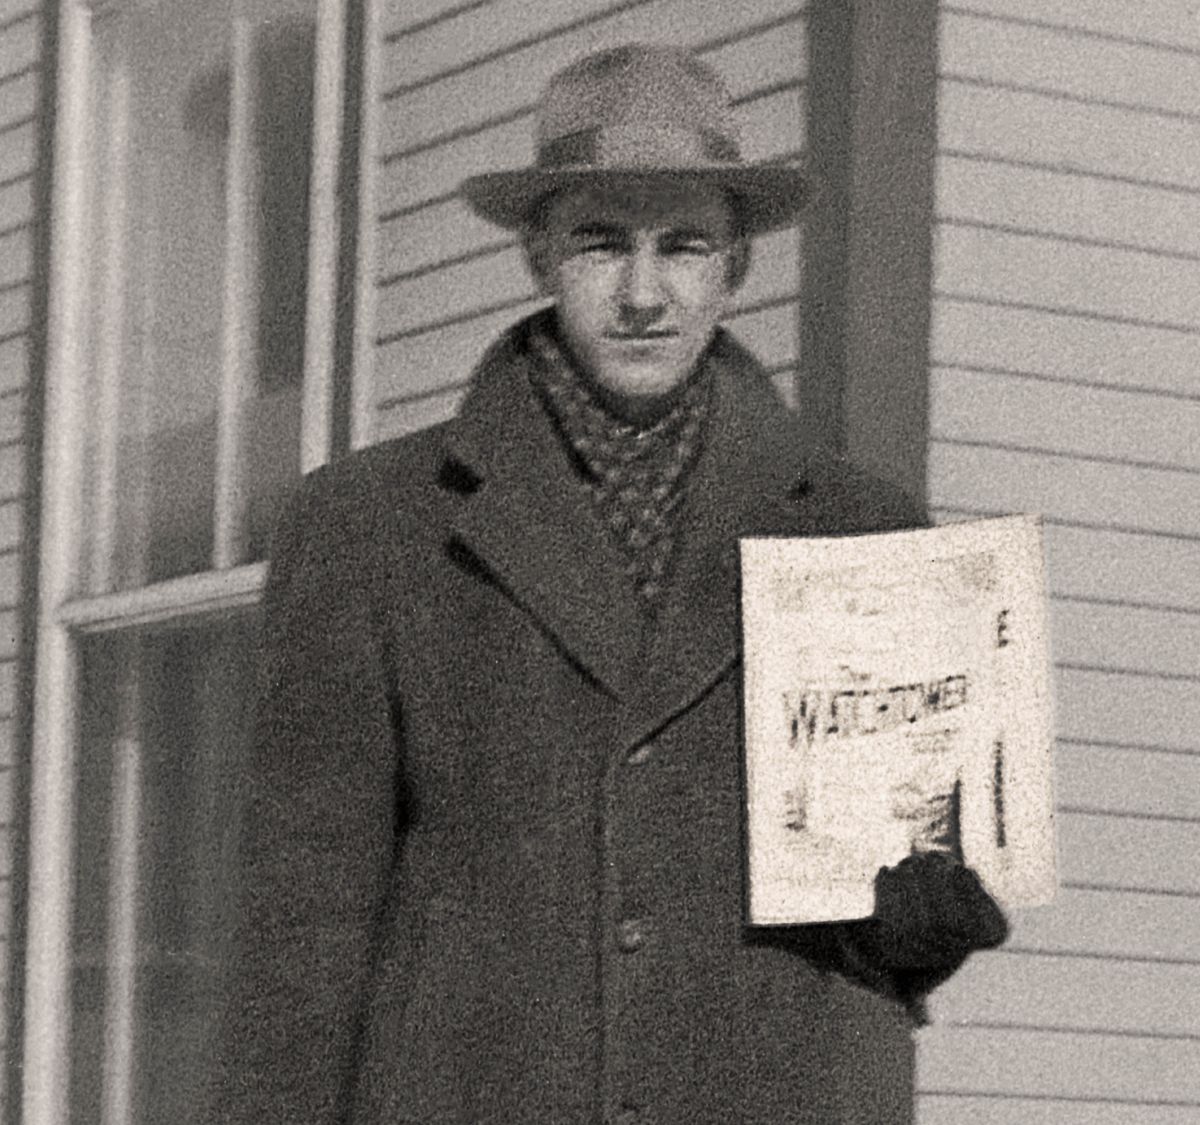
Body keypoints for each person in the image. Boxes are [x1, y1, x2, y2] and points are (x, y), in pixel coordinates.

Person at [210, 43, 1008, 1125]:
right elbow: (299, 930)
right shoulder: (371, 525)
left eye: (684, 246)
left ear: (738, 268)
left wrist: (923, 928)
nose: (643, 293)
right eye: (600, 243)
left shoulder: (864, 531)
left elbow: (896, 899)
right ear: (538, 254)